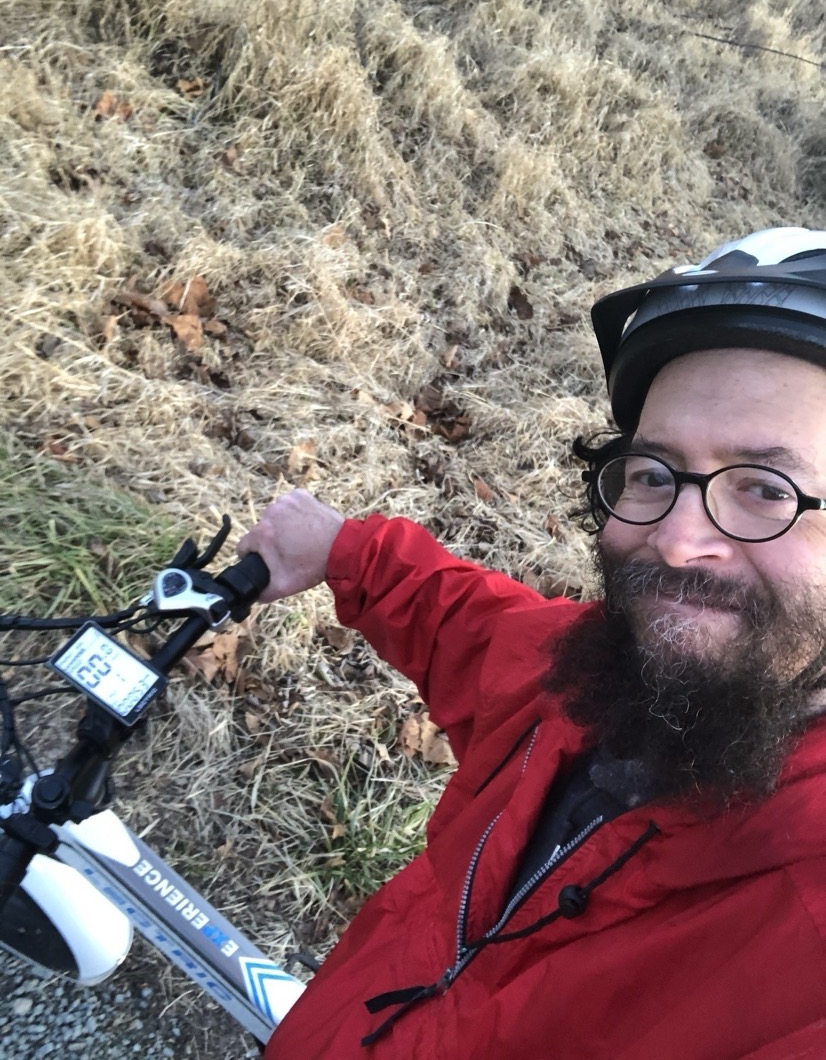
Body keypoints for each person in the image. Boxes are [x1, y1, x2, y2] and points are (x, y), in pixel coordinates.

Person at [238, 227, 826, 1059]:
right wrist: (343, 551)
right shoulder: (591, 680)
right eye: (654, 474)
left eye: (766, 490)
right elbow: (472, 628)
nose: (675, 541)